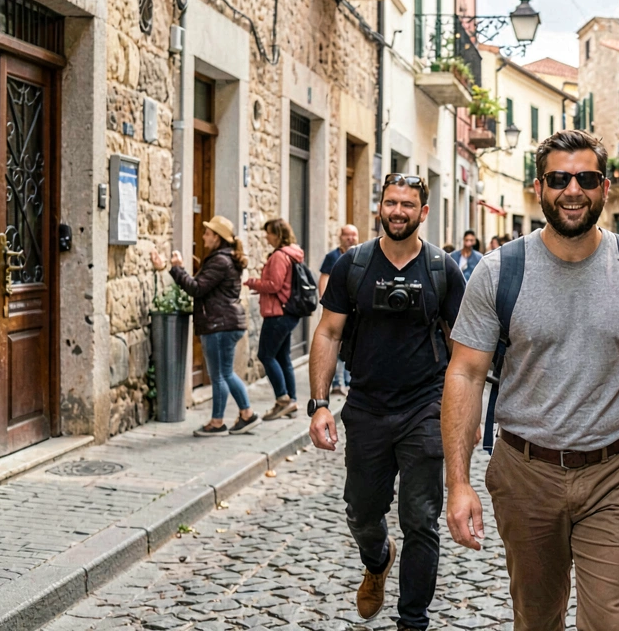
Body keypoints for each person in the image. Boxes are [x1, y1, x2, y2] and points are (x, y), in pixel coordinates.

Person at [441, 129, 619, 631]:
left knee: (610, 623)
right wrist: (458, 483)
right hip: (524, 473)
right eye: (559, 178)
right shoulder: (499, 272)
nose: (573, 190)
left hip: (616, 473)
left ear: (604, 187)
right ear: (539, 187)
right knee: (536, 620)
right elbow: (466, 373)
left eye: (586, 178)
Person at [307, 174, 466, 628]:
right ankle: (377, 560)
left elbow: (462, 350)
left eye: (408, 204)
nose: (398, 211)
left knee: (421, 518)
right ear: (380, 206)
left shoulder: (442, 269)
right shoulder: (352, 265)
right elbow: (328, 331)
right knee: (361, 510)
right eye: (391, 202)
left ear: (424, 212)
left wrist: (464, 412)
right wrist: (319, 403)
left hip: (425, 406)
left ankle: (412, 620)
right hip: (367, 406)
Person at [150, 216, 260, 437]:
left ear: (217, 237)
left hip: (219, 324)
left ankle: (219, 421)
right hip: (225, 322)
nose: (203, 236)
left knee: (221, 374)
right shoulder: (223, 259)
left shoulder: (220, 261)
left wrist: (177, 269)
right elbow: (207, 286)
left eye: (208, 233)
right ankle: (246, 414)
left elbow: (197, 288)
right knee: (224, 373)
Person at [246, 218, 305, 420]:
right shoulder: (291, 254)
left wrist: (254, 283)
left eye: (269, 233)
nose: (266, 237)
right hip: (286, 313)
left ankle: (283, 399)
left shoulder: (280, 256)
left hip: (277, 314)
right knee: (282, 357)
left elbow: (274, 285)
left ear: (278, 234)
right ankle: (292, 401)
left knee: (265, 355)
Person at [320, 224, 360, 396]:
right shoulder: (332, 257)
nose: (350, 238)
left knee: (350, 346)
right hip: (338, 309)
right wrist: (326, 304)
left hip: (355, 311)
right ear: (340, 237)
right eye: (347, 235)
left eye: (353, 235)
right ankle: (338, 382)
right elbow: (324, 278)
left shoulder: (362, 256)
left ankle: (348, 381)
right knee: (336, 346)